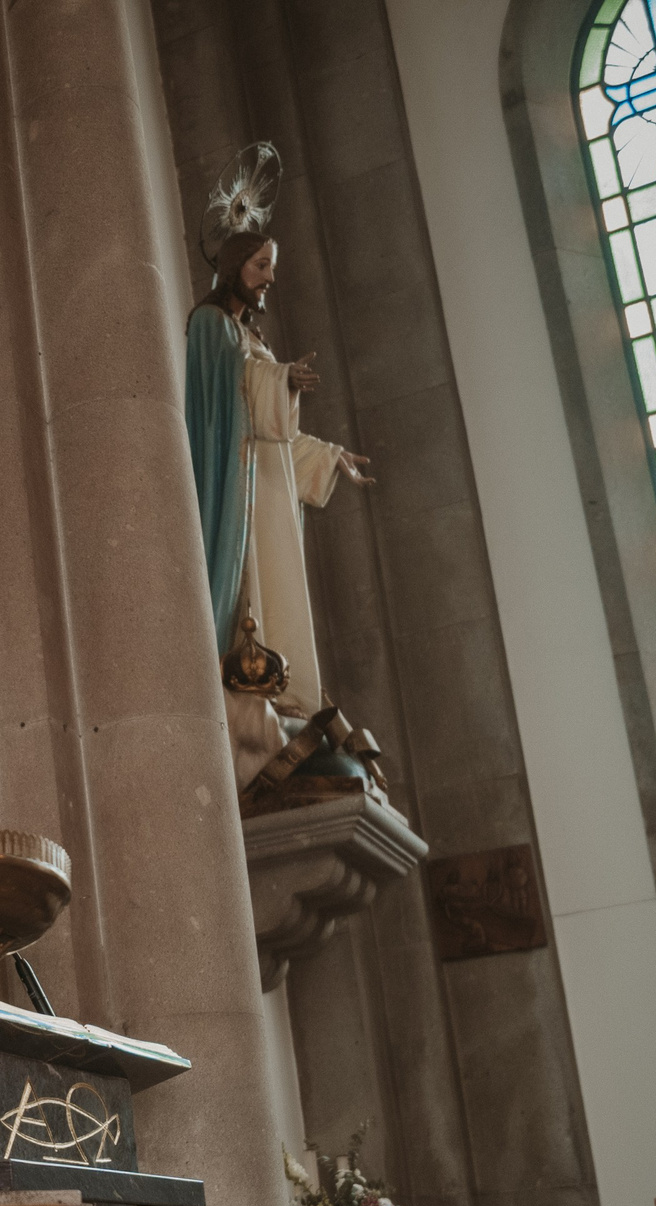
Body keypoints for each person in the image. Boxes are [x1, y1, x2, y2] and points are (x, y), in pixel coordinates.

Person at [184, 226, 372, 787]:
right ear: (235, 266)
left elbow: (279, 440)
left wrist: (329, 456)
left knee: (279, 591)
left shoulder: (252, 338)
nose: (269, 278)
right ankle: (252, 704)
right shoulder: (210, 326)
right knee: (252, 595)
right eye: (260, 265)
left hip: (266, 491)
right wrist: (277, 379)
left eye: (271, 266)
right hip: (238, 490)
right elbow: (222, 399)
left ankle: (287, 704)